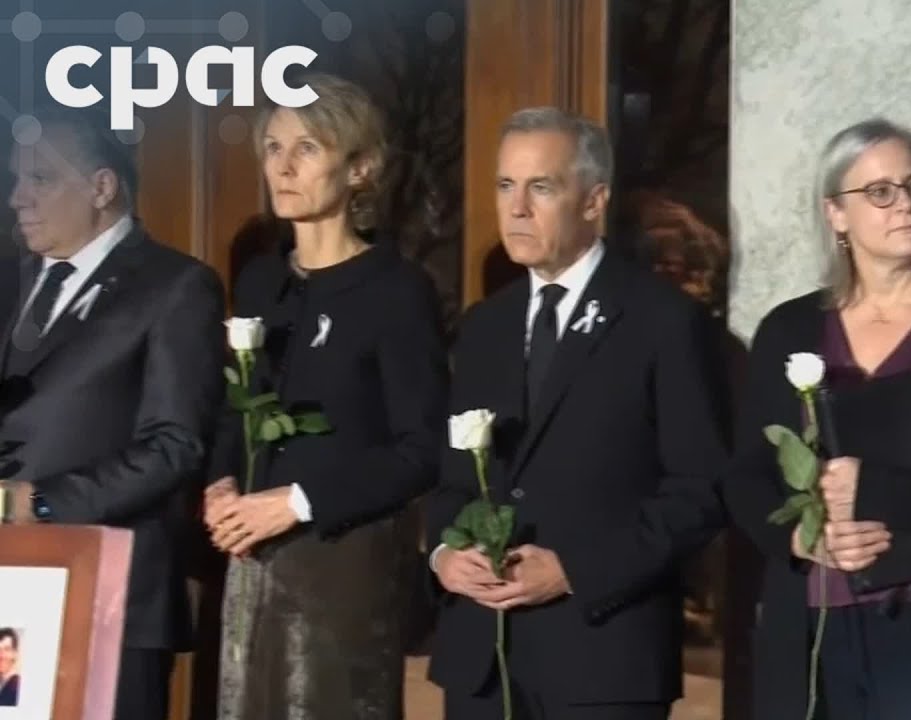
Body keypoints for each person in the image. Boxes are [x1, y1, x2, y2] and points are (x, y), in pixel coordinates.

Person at [423, 106, 727, 720]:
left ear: (594, 200)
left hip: (603, 661)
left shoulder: (665, 322)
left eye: (540, 187)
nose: (516, 208)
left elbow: (702, 491)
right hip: (484, 664)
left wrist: (575, 571)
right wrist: (444, 555)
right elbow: (453, 479)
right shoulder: (485, 327)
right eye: (505, 185)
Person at [723, 118, 911, 720]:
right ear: (836, 213)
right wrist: (800, 538)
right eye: (880, 192)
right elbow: (746, 476)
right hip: (815, 628)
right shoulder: (788, 330)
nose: (906, 204)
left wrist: (876, 488)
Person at [203, 73, 448, 720]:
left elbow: (422, 449)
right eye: (273, 148)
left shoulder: (397, 291)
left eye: (307, 148)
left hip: (344, 570)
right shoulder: (260, 283)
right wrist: (221, 482)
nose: (282, 167)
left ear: (360, 167)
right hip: (251, 562)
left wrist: (297, 501)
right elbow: (236, 406)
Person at [0, 107, 225, 719]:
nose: (18, 198)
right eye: (16, 179)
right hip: (10, 593)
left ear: (102, 187)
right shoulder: (12, 283)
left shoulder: (177, 287)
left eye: (40, 179)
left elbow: (175, 445)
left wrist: (41, 502)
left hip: (109, 598)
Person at [0, 628, 19, 706]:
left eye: (7, 649)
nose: (1, 655)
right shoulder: (2, 683)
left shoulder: (17, 687)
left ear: (14, 654)